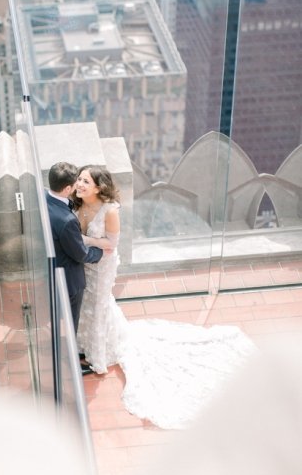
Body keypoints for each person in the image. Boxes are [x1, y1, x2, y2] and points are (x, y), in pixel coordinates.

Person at [72, 164, 255, 428]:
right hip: (86, 265)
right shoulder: (77, 205)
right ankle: (87, 342)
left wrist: (83, 240)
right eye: (79, 180)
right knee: (91, 305)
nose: (79, 185)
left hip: (101, 268)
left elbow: (111, 245)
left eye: (85, 181)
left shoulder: (110, 211)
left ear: (99, 187)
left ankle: (97, 357)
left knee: (99, 304)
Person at [46, 162, 107, 348]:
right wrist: (99, 253)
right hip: (69, 278)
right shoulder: (66, 221)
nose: (78, 186)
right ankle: (69, 360)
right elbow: (81, 254)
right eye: (76, 183)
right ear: (67, 189)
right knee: (70, 322)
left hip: (50, 269)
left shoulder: (42, 197)